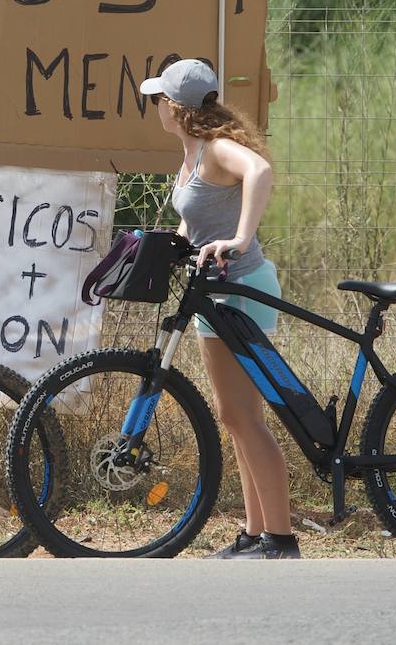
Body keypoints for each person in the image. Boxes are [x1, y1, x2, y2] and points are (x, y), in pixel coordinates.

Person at [139, 58, 300, 560]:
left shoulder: (216, 150)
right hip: (214, 289)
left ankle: (281, 539)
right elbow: (197, 220)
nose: (154, 107)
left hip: (242, 286)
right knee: (235, 416)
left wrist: (241, 237)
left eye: (157, 99)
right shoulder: (190, 156)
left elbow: (260, 171)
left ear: (174, 107)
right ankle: (256, 534)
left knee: (244, 418)